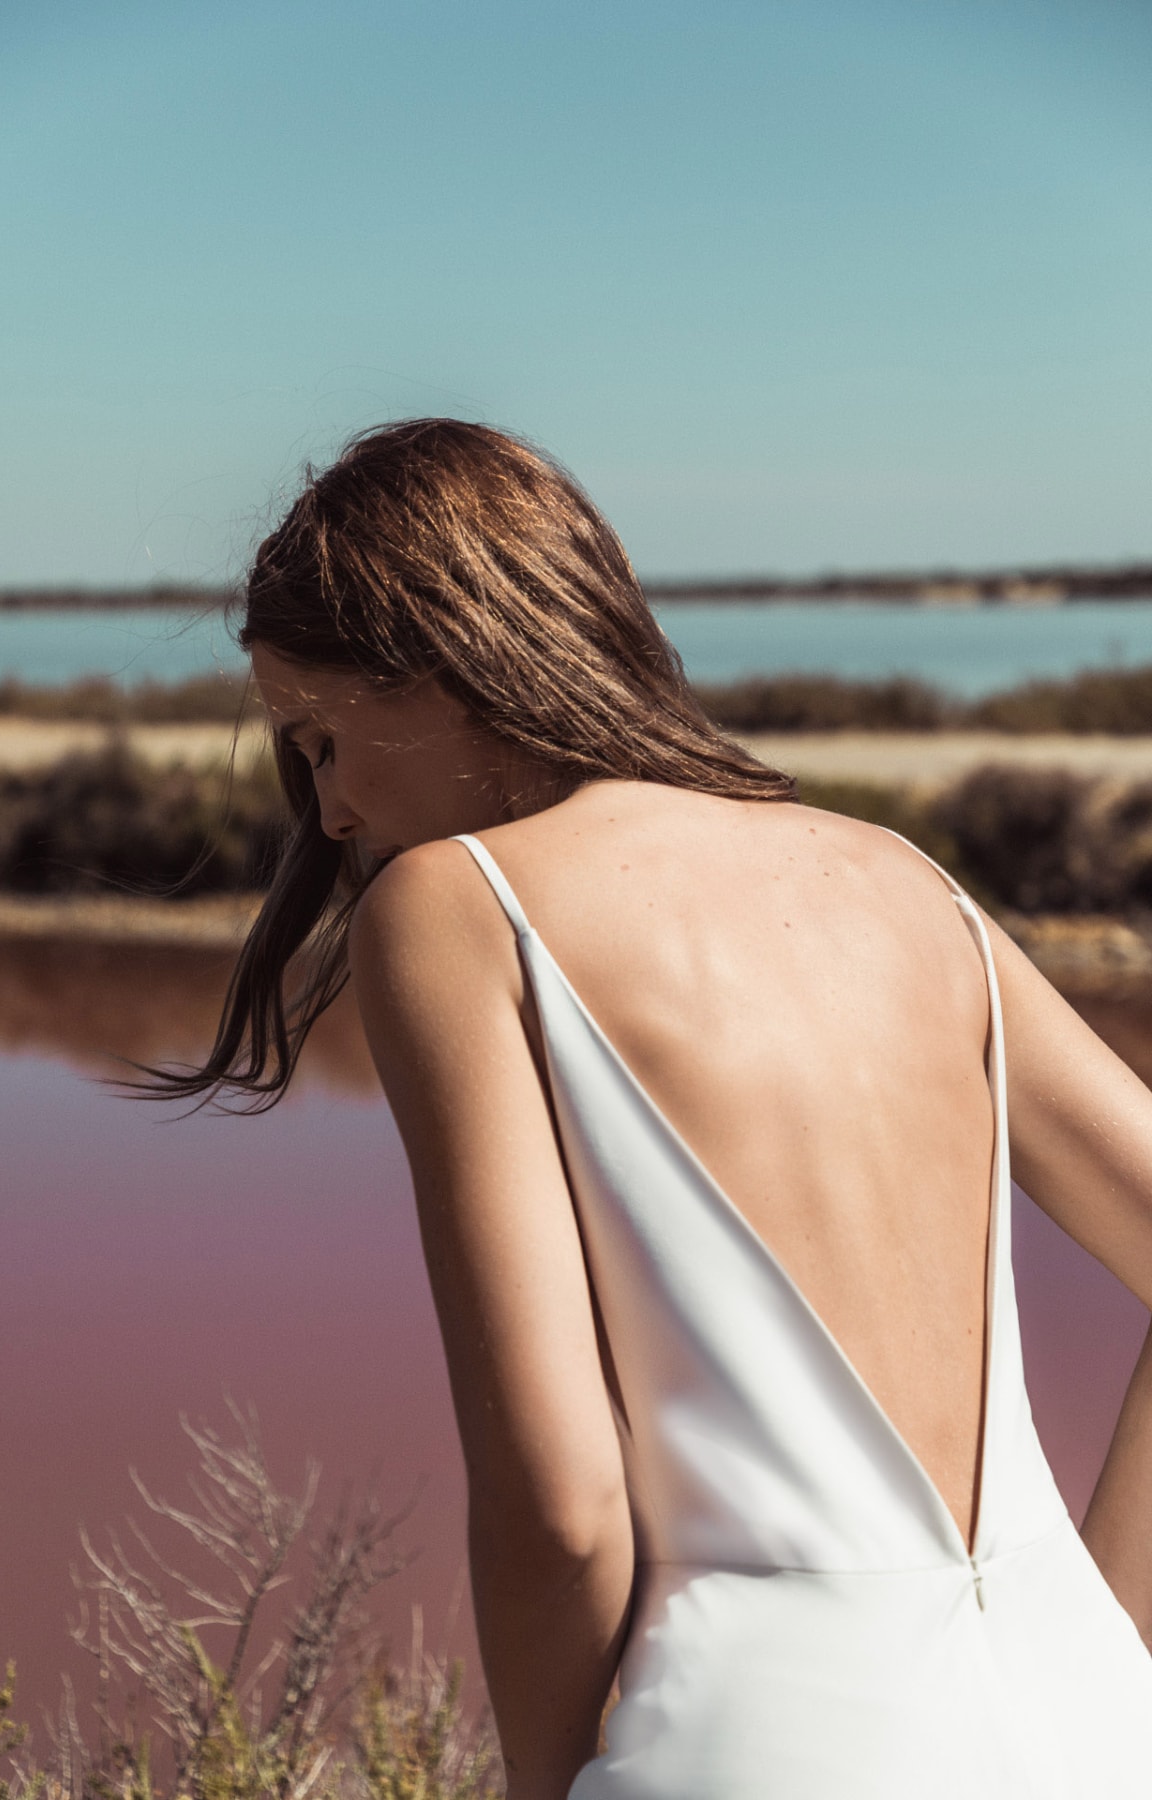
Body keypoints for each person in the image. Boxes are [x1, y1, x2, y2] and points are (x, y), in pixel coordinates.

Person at [164, 418, 1152, 1797]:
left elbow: (560, 1511)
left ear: (440, 666)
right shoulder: (902, 880)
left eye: (324, 740)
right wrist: (1103, 1624)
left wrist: (560, 1784)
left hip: (759, 1743)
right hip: (1095, 1724)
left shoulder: (458, 910)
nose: (326, 810)